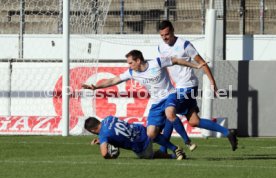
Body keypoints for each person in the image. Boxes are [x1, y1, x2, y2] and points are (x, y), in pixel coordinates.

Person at [82, 50, 206, 159]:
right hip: (156, 102)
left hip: (170, 95)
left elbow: (176, 60)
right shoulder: (132, 73)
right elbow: (114, 80)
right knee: (151, 133)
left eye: (130, 62)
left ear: (138, 60)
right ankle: (175, 149)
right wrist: (96, 87)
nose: (129, 65)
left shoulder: (156, 63)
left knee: (170, 113)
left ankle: (188, 142)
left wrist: (195, 65)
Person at [157, 20, 238, 151]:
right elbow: (165, 66)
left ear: (172, 31)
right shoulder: (161, 47)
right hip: (179, 86)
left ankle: (163, 150)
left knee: (169, 112)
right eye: (162, 35)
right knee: (194, 121)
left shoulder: (184, 45)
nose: (165, 38)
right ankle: (227, 132)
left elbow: (202, 63)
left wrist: (213, 83)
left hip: (188, 85)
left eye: (167, 34)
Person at [84, 116, 180, 159]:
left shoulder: (103, 135)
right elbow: (116, 131)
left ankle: (173, 156)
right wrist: (103, 141)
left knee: (148, 155)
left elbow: (104, 153)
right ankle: (175, 148)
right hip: (142, 130)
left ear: (92, 130)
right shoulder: (109, 118)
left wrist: (112, 154)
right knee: (155, 135)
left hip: (141, 146)